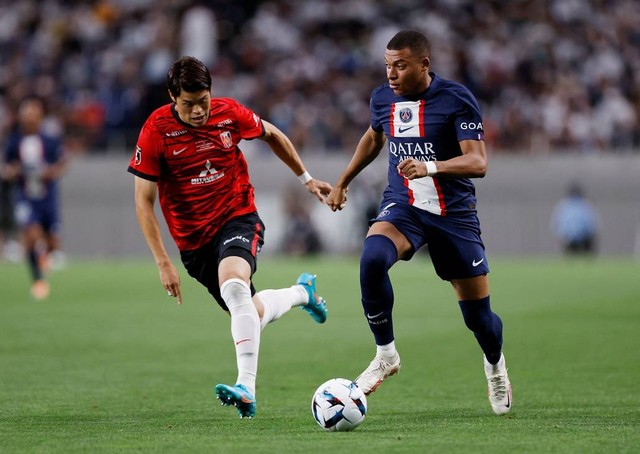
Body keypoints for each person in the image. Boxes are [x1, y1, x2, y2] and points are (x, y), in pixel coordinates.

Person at [127, 56, 332, 419]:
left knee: (235, 286)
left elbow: (273, 135)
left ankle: (246, 388)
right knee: (249, 311)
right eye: (188, 104)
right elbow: (144, 203)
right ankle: (303, 293)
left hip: (237, 215)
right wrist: (163, 261)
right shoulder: (155, 130)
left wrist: (307, 178)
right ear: (173, 97)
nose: (198, 111)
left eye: (203, 101)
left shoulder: (229, 113)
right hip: (193, 243)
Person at [327, 30, 512, 415]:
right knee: (372, 257)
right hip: (404, 207)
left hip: (454, 216)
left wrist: (431, 166)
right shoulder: (382, 98)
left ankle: (495, 364)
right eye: (387, 65)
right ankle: (385, 355)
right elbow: (374, 137)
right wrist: (344, 180)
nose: (391, 74)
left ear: (424, 65)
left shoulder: (456, 98)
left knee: (479, 320)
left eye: (400, 65)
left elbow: (478, 162)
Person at [3, 96, 67, 299]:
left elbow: (62, 163)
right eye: (26, 112)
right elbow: (7, 167)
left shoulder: (49, 140)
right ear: (21, 116)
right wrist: (11, 172)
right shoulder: (14, 142)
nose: (30, 116)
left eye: (34, 112)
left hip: (48, 197)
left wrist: (52, 172)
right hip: (25, 196)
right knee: (31, 235)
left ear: (40, 116)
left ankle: (44, 259)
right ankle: (38, 281)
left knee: (53, 243)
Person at [550, 183, 599, 255]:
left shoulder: (563, 205)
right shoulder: (585, 205)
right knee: (586, 258)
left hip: (570, 238)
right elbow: (593, 223)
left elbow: (557, 224)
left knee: (571, 259)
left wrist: (563, 234)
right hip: (584, 237)